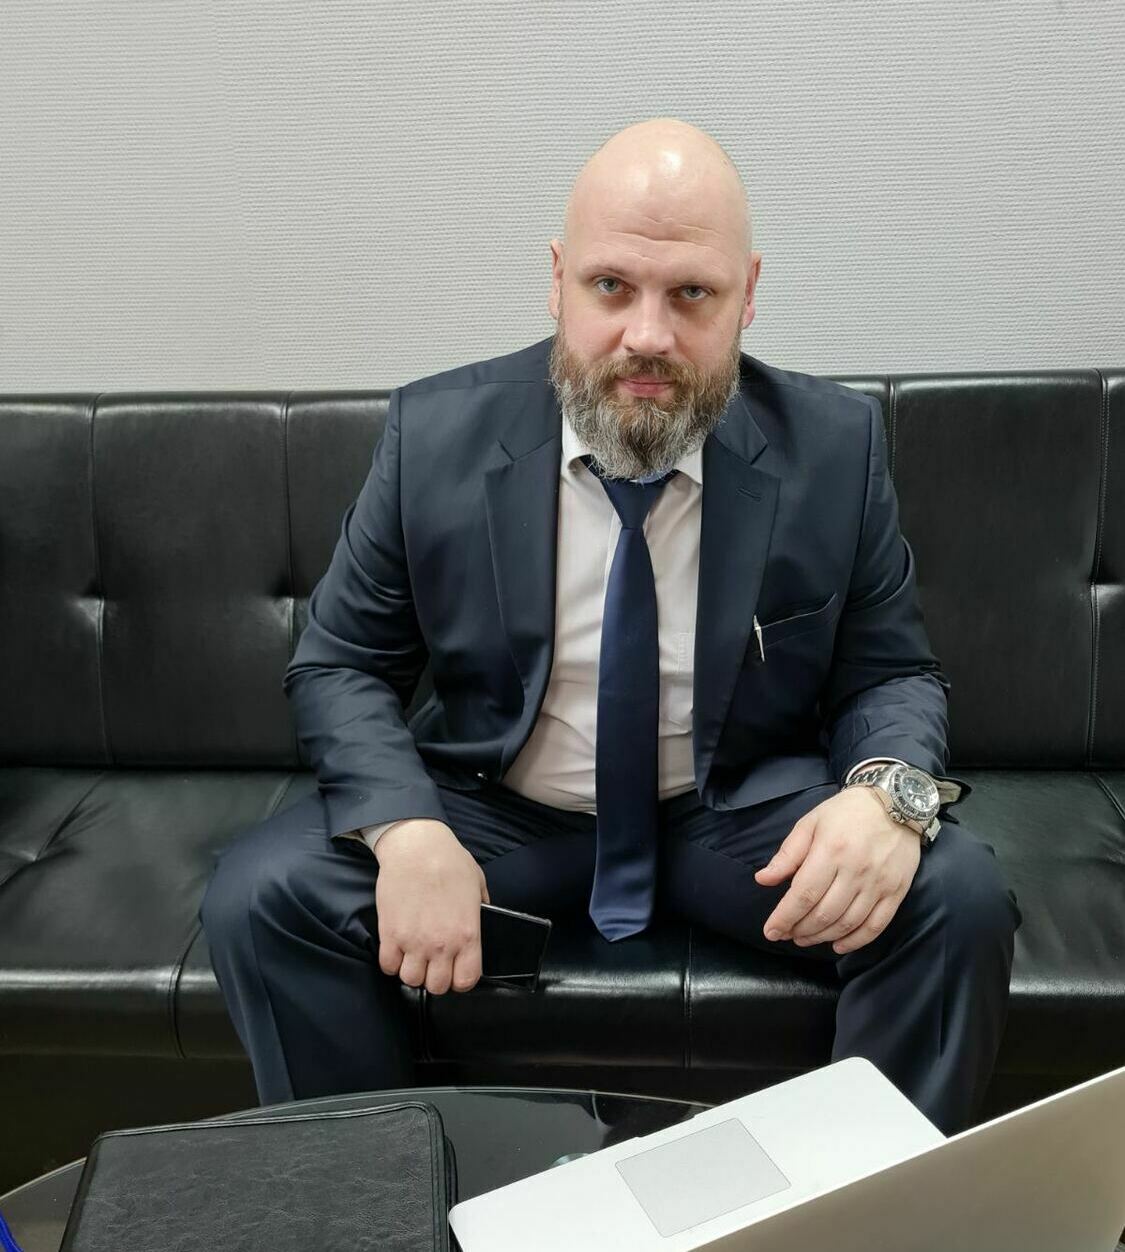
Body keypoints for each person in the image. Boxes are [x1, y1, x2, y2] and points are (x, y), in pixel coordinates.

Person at [200, 117, 1021, 1136]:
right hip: (505, 809)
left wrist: (884, 797)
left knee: (955, 897)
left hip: (730, 814)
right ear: (558, 282)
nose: (647, 336)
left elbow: (889, 672)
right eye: (611, 287)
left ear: (748, 294)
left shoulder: (834, 445)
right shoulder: (434, 435)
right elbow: (340, 664)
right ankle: (379, 1197)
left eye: (692, 294)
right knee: (264, 895)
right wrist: (404, 828)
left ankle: (860, 1208)